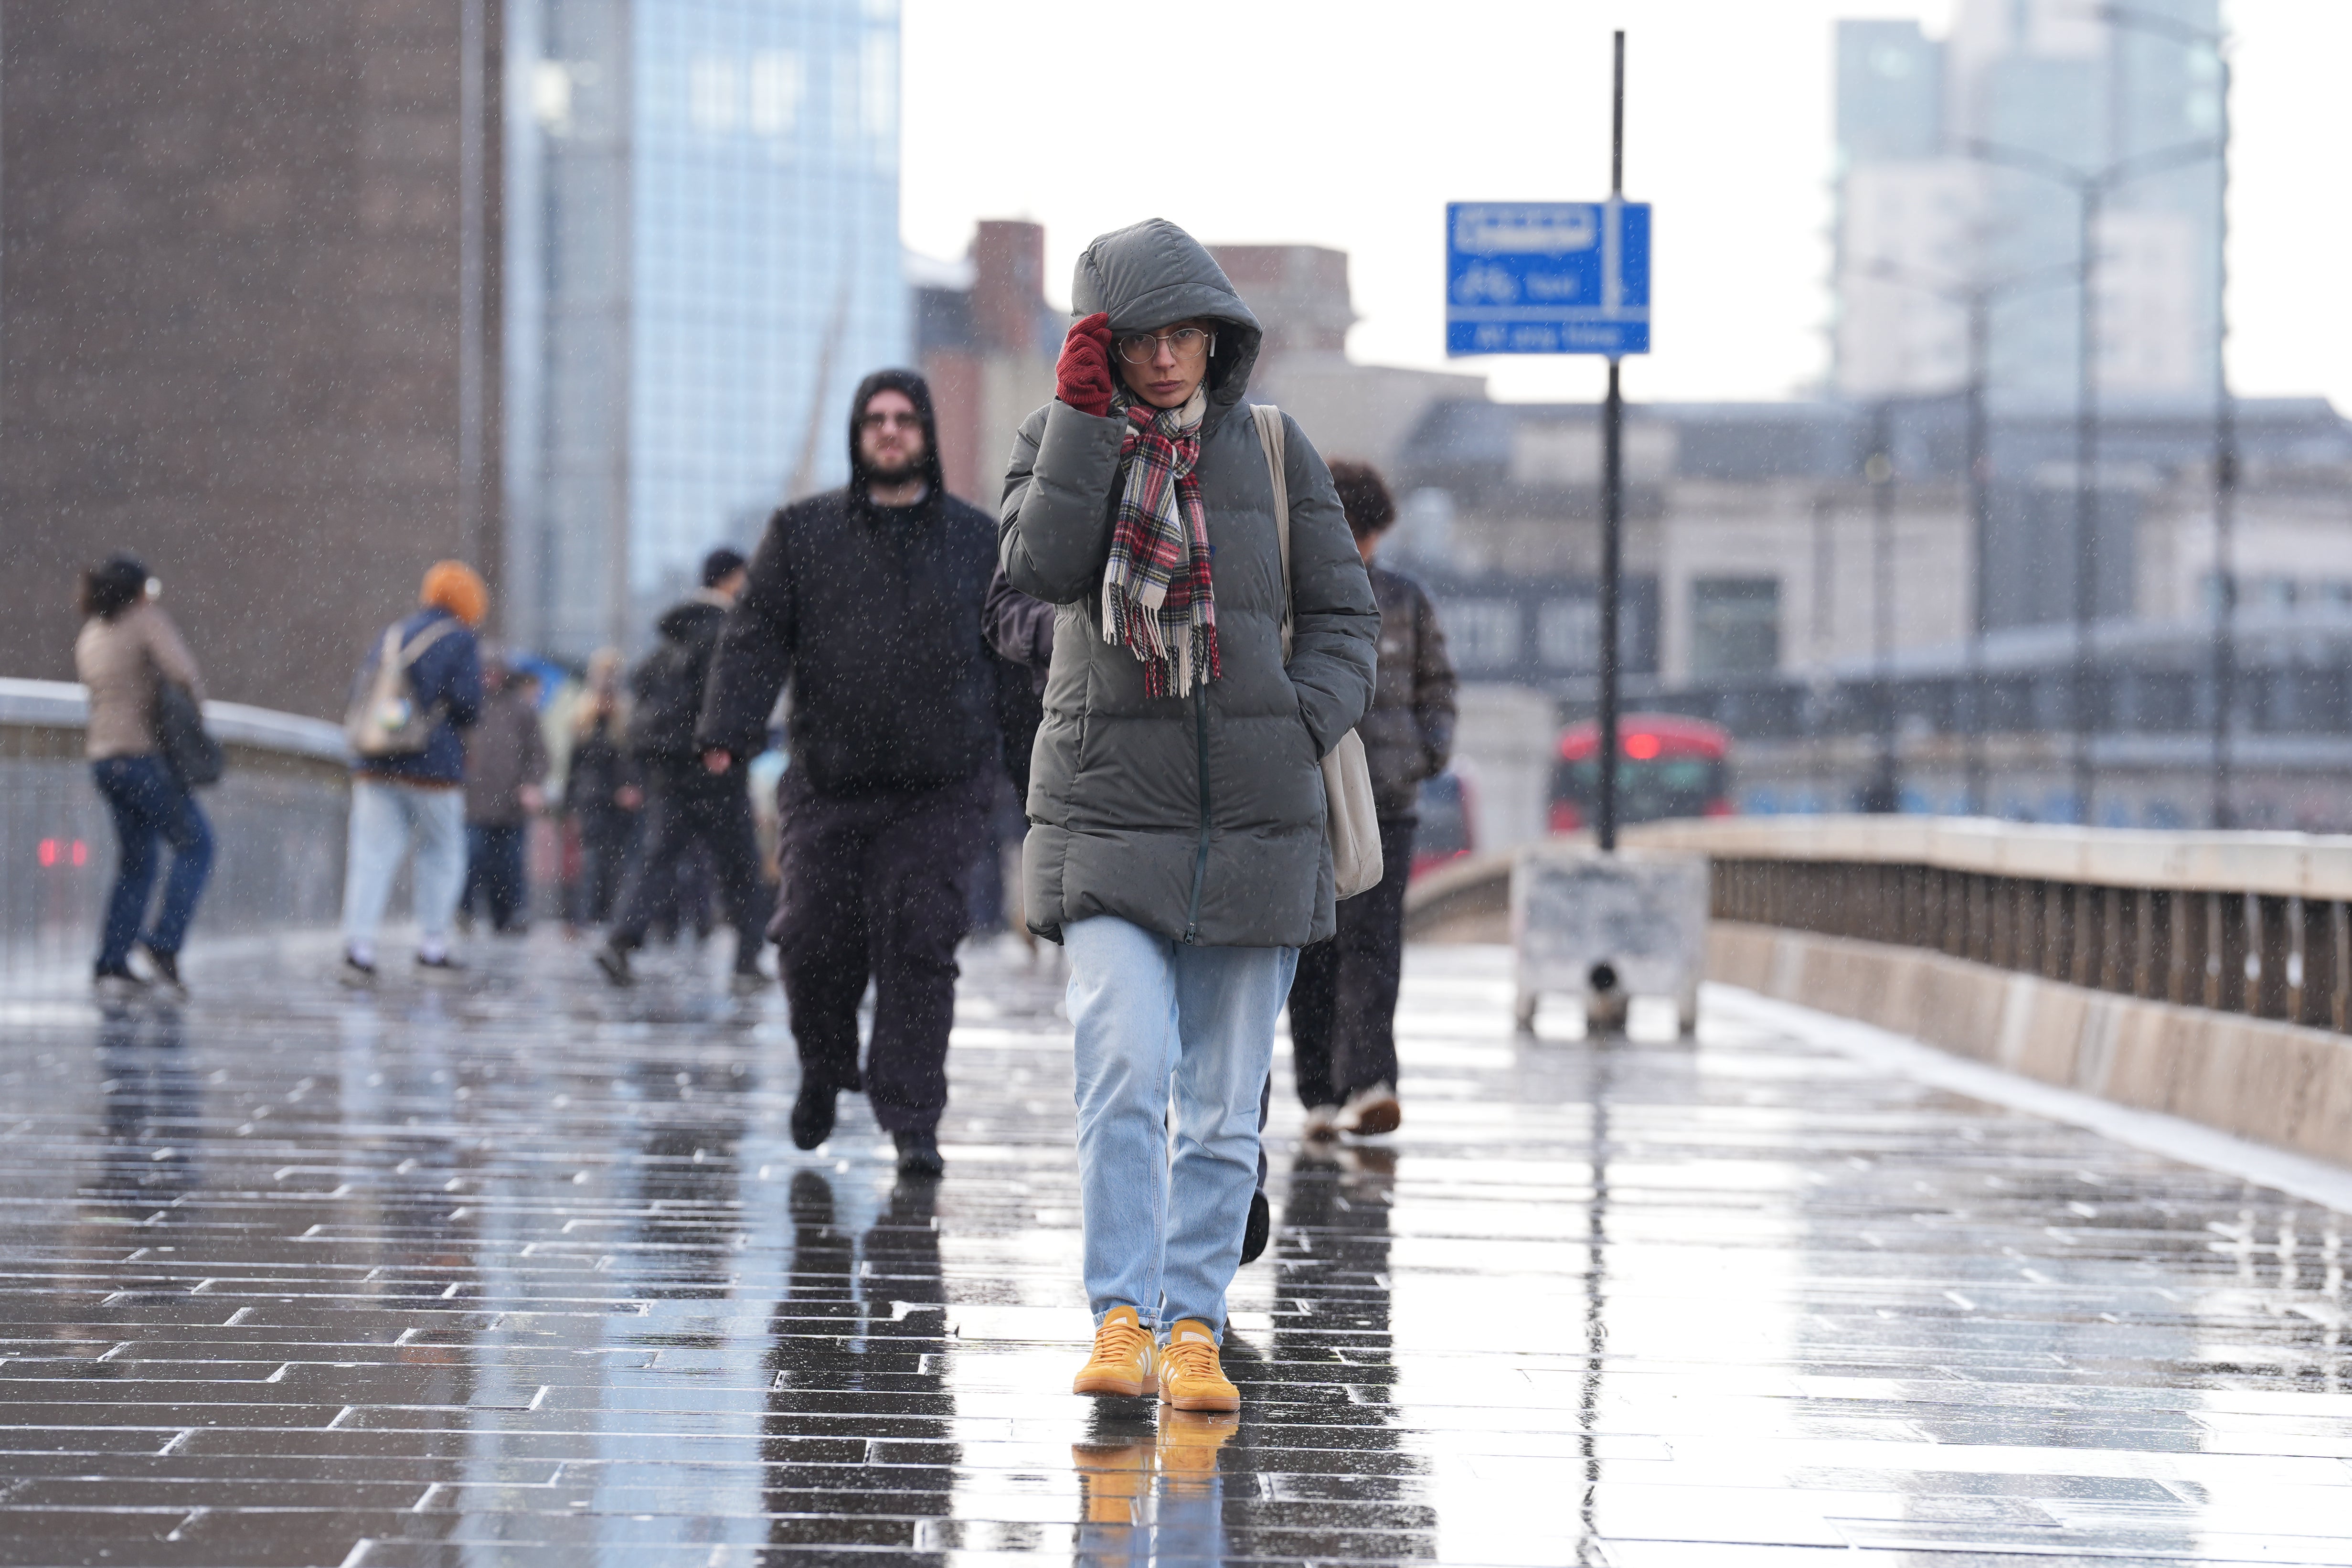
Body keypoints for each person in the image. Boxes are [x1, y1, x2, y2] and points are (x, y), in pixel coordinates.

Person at [998, 219, 1377, 1413]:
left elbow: (1345, 615)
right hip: (1110, 815)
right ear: (1098, 348)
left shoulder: (1270, 447)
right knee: (1120, 1061)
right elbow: (1042, 567)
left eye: (1185, 335)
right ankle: (1119, 1312)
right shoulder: (1062, 440)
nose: (1166, 360)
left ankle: (1192, 1326)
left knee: (1220, 1103)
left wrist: (1296, 720)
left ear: (1217, 339)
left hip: (1256, 826)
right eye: (1139, 338)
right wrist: (1079, 426)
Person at [696, 369, 1024, 1180]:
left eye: (904, 419)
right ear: (856, 432)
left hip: (941, 791)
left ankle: (913, 1119)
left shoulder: (978, 540)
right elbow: (755, 635)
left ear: (926, 434)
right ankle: (823, 1067)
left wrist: (1035, 769)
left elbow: (1015, 663)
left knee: (921, 943)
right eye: (875, 419)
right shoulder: (802, 534)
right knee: (810, 942)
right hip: (829, 783)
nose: (889, 431)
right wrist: (728, 729)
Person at [1286, 461, 1457, 1140]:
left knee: (1373, 946)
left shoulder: (1407, 599)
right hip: (1309, 801)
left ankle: (1370, 1082)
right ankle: (1321, 1092)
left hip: (1387, 799)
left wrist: (1424, 754)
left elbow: (1437, 686)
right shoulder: (1296, 595)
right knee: (1312, 949)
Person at [594, 549, 770, 989]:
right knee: (741, 866)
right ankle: (747, 964)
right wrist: (732, 743)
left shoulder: (674, 637)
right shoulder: (728, 632)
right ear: (731, 579)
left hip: (667, 765)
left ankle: (620, 941)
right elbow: (733, 695)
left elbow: (645, 696)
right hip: (715, 764)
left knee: (658, 858)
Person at [74, 555, 215, 1000]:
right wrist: (195, 718)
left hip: (103, 759)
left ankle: (112, 963)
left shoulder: (92, 631)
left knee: (136, 862)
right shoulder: (143, 620)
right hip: (140, 757)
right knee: (197, 842)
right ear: (138, 591)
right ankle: (164, 944)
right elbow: (183, 672)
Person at [339, 561, 488, 985]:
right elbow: (468, 704)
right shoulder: (459, 638)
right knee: (441, 852)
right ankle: (432, 945)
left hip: (376, 760)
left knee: (372, 854)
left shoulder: (393, 634)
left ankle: (359, 946)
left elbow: (361, 691)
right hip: (432, 766)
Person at [460, 659, 549, 933]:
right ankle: (464, 913)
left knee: (509, 867)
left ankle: (509, 918)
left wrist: (530, 784)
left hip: (512, 806)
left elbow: (540, 755)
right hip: (473, 804)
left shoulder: (522, 709)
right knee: (472, 860)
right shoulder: (468, 706)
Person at [565, 649, 641, 930]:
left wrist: (632, 788)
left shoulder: (628, 720)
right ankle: (585, 918)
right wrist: (570, 806)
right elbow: (575, 768)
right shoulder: (583, 720)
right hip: (593, 801)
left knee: (619, 865)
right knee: (592, 863)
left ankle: (615, 919)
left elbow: (633, 762)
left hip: (620, 804)